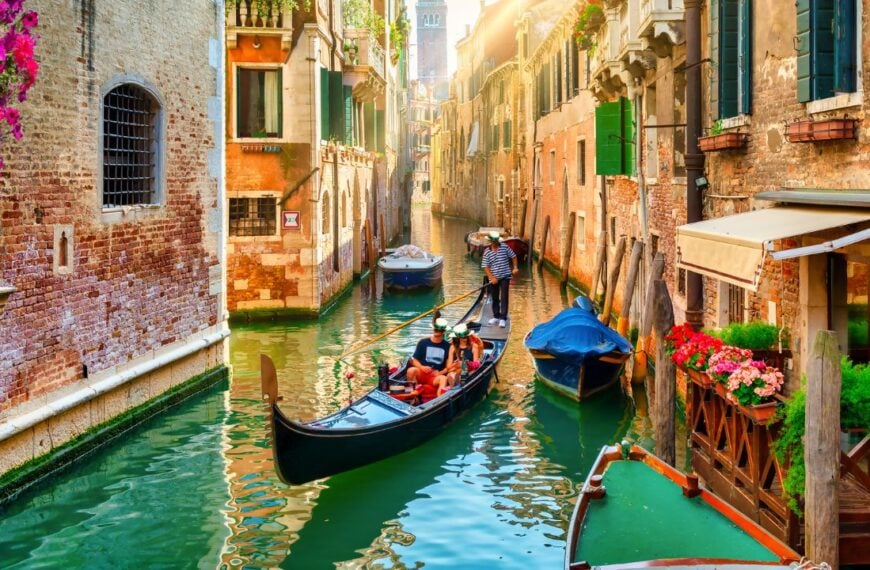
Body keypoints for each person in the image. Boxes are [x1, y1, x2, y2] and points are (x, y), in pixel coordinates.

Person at [406, 317, 452, 401]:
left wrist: (439, 373)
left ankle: (439, 400)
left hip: (434, 377)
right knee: (411, 370)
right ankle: (414, 397)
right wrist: (422, 367)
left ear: (443, 332)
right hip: (422, 373)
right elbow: (415, 360)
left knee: (443, 378)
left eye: (439, 330)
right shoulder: (423, 342)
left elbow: (448, 367)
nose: (436, 331)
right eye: (435, 329)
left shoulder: (447, 346)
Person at [481, 230, 518, 327]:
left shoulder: (505, 247)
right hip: (493, 278)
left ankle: (503, 318)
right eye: (493, 242)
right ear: (490, 241)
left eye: (496, 241)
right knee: (495, 297)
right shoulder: (487, 252)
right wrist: (491, 277)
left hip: (505, 276)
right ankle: (496, 316)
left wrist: (515, 267)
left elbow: (514, 256)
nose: (495, 243)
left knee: (504, 297)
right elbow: (485, 266)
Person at [438, 323, 482, 395]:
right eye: (463, 337)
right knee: (451, 375)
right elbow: (449, 366)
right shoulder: (453, 347)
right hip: (456, 371)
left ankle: (453, 391)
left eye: (466, 336)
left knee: (459, 374)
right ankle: (453, 391)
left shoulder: (474, 346)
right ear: (457, 337)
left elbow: (477, 364)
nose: (465, 338)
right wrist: (456, 364)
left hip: (469, 371)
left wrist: (465, 363)